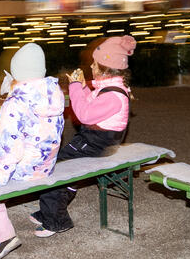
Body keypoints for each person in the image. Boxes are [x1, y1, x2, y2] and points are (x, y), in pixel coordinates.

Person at [30, 35, 136, 237]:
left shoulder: (113, 95)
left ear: (104, 68)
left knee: (54, 168)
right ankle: (50, 210)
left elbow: (84, 114)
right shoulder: (108, 89)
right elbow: (90, 104)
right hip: (96, 142)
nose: (91, 67)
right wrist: (84, 86)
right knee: (62, 164)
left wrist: (75, 87)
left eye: (95, 64)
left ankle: (56, 220)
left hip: (99, 145)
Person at [0, 43, 65, 259]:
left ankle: (3, 237)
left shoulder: (15, 103)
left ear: (17, 71)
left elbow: (11, 148)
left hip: (23, 166)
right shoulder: (54, 93)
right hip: (46, 164)